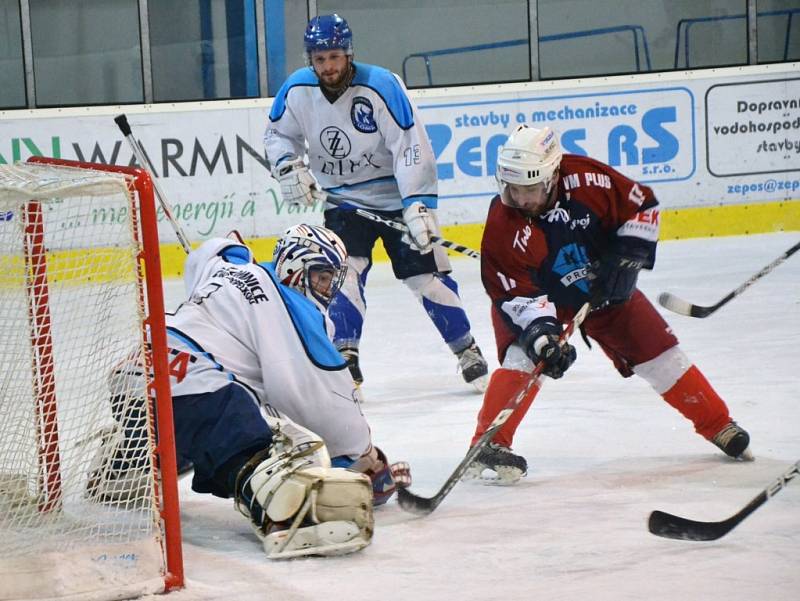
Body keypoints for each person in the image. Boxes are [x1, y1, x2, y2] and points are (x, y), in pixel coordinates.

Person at [90, 224, 408, 558]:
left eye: (330, 279)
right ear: (294, 269)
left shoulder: (232, 267)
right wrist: (365, 455)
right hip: (194, 388)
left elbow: (211, 251)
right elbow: (322, 403)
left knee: (197, 424)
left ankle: (126, 465)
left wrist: (237, 250)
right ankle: (290, 516)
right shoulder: (296, 312)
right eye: (321, 277)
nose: (326, 288)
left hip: (134, 376)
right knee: (254, 441)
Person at [466, 124, 753, 483]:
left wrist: (629, 256)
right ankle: (488, 444)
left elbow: (642, 207)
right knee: (523, 359)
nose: (521, 199)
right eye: (513, 189)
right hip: (544, 299)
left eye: (530, 189)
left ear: (552, 175)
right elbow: (513, 293)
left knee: (662, 355)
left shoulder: (588, 180)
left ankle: (718, 424)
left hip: (605, 291)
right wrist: (543, 337)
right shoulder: (502, 223)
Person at [263, 13, 489, 390]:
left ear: (348, 53)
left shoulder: (381, 85)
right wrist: (288, 167)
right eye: (319, 59)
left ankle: (466, 348)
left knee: (425, 278)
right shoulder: (297, 90)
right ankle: (345, 357)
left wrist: (417, 204)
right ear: (310, 60)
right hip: (343, 199)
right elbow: (277, 135)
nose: (328, 66)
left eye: (334, 56)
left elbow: (411, 146)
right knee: (343, 273)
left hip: (397, 196)